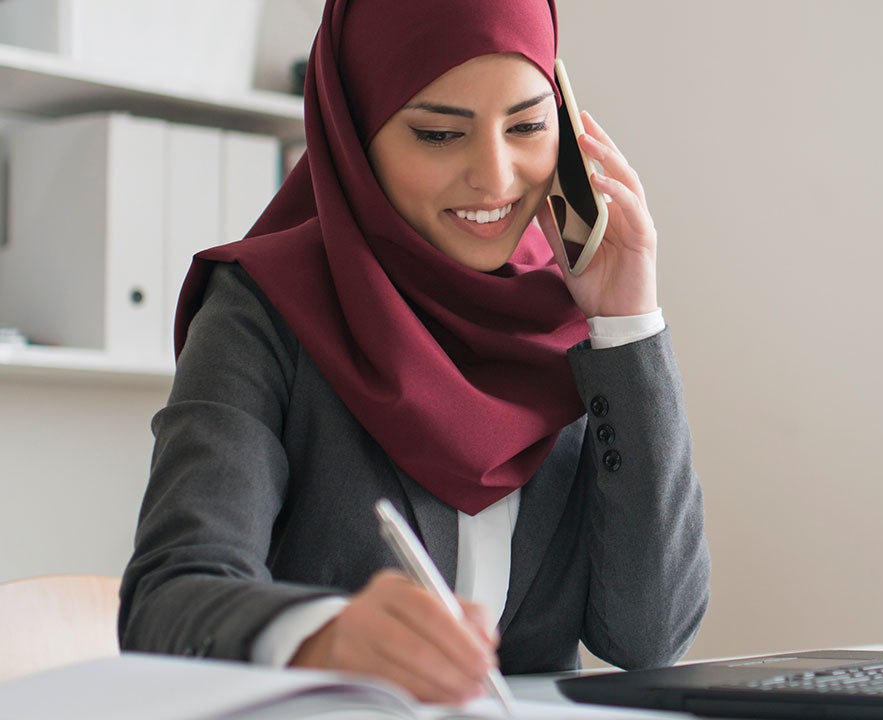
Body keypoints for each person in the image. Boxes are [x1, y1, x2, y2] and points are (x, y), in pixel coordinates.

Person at [117, 0, 710, 705]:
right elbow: (168, 596)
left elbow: (648, 637)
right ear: (354, 133)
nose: (495, 179)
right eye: (438, 133)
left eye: (527, 125)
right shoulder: (263, 309)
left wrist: (628, 326)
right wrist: (322, 635)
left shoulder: (575, 318)